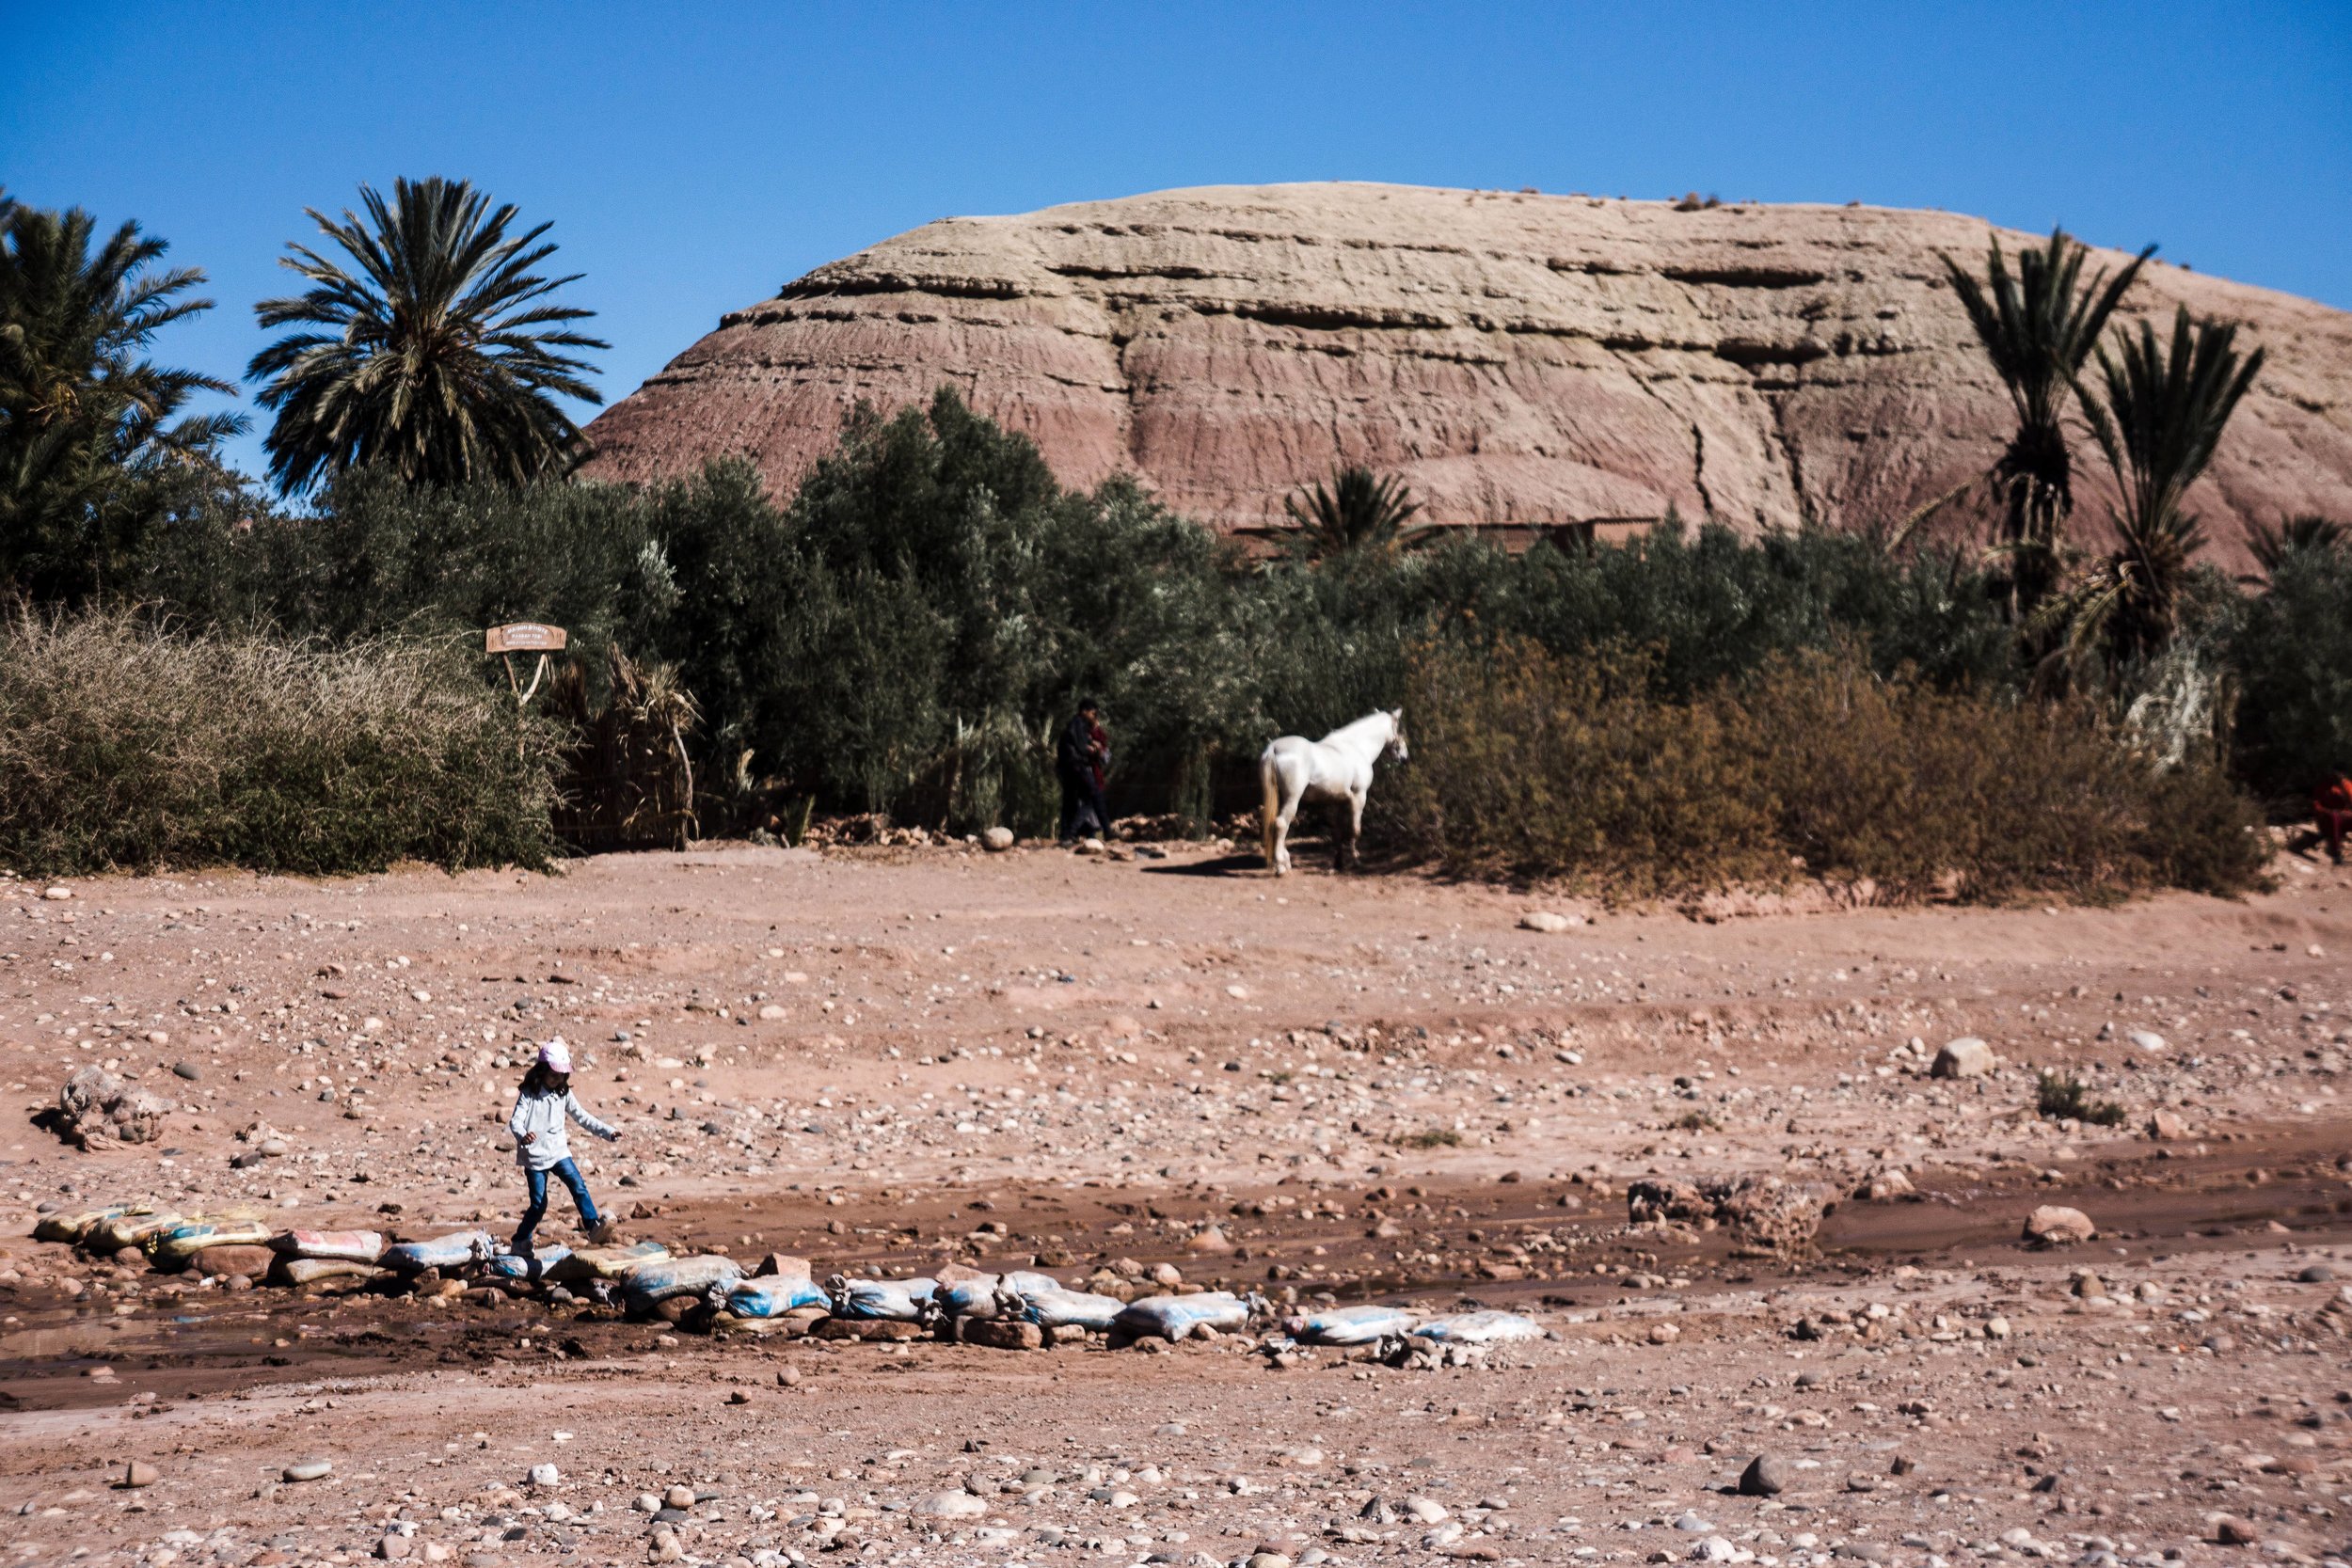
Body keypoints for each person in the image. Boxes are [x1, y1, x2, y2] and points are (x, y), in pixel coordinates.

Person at [507, 1038, 621, 1260]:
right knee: (539, 1205)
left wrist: (608, 1132)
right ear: (541, 1071)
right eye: (553, 1075)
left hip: (558, 1152)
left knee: (577, 1184)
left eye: (561, 1076)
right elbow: (515, 1121)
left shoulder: (563, 1093)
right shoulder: (529, 1094)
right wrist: (523, 1135)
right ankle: (520, 1240)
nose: (558, 1079)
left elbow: (582, 1117)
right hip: (535, 1157)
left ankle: (592, 1226)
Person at [1057, 698, 1110, 842]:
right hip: (1077, 767)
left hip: (1070, 769)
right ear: (1084, 711)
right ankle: (1106, 831)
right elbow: (1080, 747)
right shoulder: (1077, 725)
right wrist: (1093, 748)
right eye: (1093, 713)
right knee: (1094, 796)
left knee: (1072, 802)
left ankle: (1067, 834)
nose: (1094, 716)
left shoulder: (1076, 725)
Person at [2315, 775, 2352, 863]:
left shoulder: (2346, 785)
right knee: (2333, 818)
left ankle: (2335, 851)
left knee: (2336, 819)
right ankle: (2335, 853)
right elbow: (2317, 806)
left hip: (2340, 817)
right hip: (2328, 817)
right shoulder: (2324, 787)